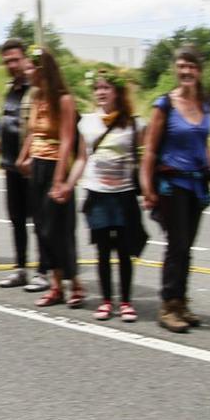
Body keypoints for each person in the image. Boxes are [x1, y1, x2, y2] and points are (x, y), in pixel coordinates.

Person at [142, 45, 210, 333]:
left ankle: (181, 301)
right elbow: (149, 150)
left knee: (187, 247)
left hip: (197, 184)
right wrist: (147, 187)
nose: (186, 71)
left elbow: (204, 145)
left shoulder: (206, 104)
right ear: (176, 69)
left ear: (199, 71)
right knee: (177, 245)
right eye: (181, 66)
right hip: (172, 185)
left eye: (191, 67)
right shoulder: (165, 105)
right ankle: (168, 305)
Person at [73, 70, 145, 322]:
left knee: (125, 251)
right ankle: (105, 302)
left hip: (124, 195)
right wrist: (67, 184)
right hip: (97, 194)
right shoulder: (86, 122)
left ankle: (125, 301)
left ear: (117, 92)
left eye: (106, 87)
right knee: (102, 251)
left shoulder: (135, 124)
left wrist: (148, 191)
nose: (101, 92)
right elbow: (81, 158)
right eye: (97, 88)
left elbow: (144, 159)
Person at [16, 46, 81, 307]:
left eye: (31, 68)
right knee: (43, 228)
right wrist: (24, 156)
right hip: (38, 166)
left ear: (44, 70)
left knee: (60, 229)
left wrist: (59, 178)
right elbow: (33, 132)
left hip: (57, 166)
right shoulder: (35, 98)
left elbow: (66, 140)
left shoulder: (64, 100)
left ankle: (75, 284)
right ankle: (56, 286)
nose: (27, 72)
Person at [0, 39, 41, 289]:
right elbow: (5, 125)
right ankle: (21, 268)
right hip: (10, 166)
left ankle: (43, 271)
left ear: (25, 59)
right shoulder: (10, 88)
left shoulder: (36, 89)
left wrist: (27, 155)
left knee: (39, 220)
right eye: (7, 61)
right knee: (17, 219)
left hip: (31, 166)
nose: (11, 65)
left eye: (15, 60)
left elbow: (36, 127)